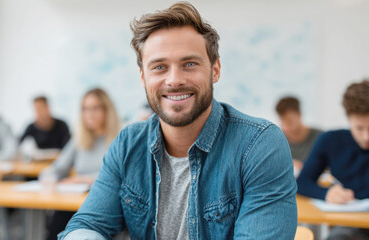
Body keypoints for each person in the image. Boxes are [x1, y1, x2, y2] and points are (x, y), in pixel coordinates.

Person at [59, 3, 297, 239]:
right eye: (160, 67)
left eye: (189, 64)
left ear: (215, 69)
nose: (174, 80)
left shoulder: (259, 145)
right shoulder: (127, 144)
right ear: (143, 77)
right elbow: (88, 224)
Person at [39, 88, 121, 240]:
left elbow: (123, 176)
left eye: (95, 108)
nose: (89, 113)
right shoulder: (79, 139)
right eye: (85, 109)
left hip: (104, 206)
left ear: (107, 110)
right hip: (73, 203)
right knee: (57, 222)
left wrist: (86, 179)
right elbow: (58, 167)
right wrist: (48, 177)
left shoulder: (121, 139)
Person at [297, 79, 369, 240]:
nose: (366, 137)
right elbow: (301, 182)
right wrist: (326, 193)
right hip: (349, 228)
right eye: (359, 128)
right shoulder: (330, 141)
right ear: (349, 118)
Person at [275, 96, 323, 173]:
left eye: (290, 121)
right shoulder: (279, 141)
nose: (286, 127)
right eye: (283, 121)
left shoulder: (320, 136)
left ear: (299, 115)